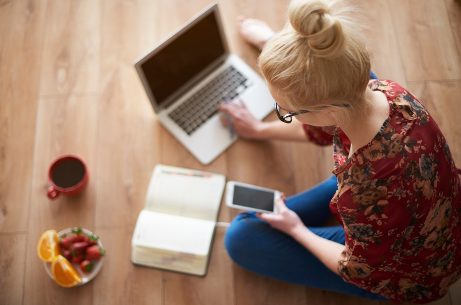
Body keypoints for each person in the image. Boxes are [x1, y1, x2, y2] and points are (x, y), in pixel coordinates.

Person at [220, 0, 461, 303]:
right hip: (432, 213)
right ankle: (297, 60)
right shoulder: (389, 91)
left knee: (243, 236)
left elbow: (357, 268)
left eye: (287, 111)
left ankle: (288, 221)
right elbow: (327, 117)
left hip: (417, 274)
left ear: (327, 111)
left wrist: (297, 230)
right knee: (363, 75)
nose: (285, 114)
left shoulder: (361, 190)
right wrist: (258, 127)